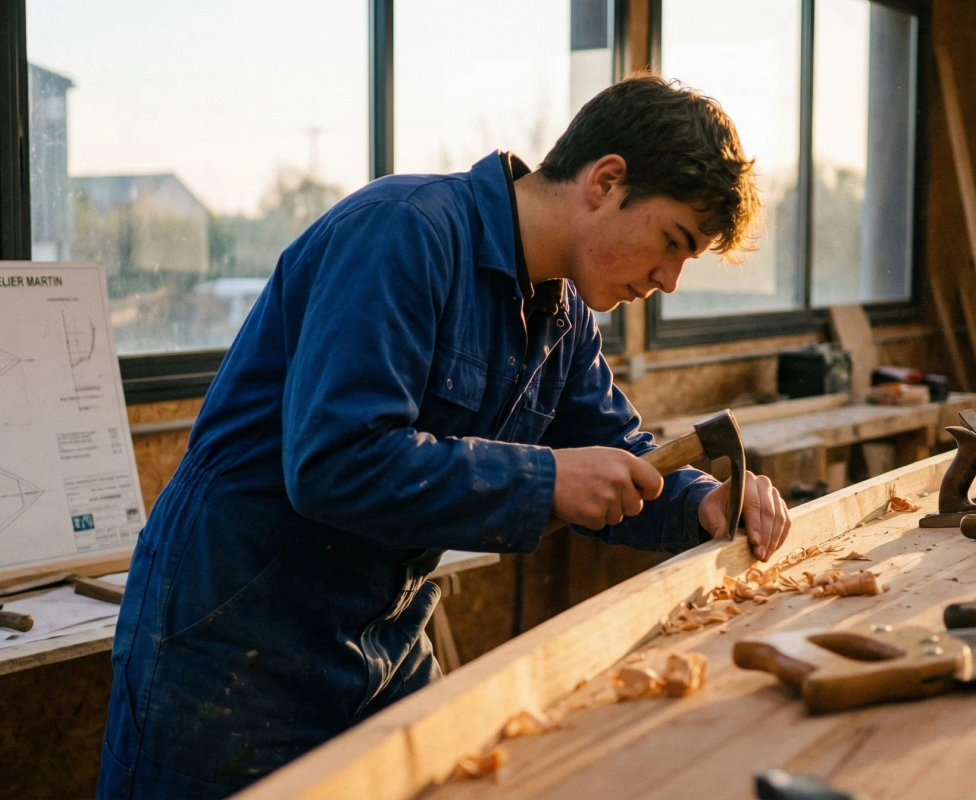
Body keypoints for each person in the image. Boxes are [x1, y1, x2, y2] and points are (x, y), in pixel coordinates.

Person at [97, 75, 791, 799]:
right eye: (672, 242)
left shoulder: (562, 316)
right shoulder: (404, 233)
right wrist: (548, 479)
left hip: (380, 632)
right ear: (606, 181)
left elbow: (619, 456)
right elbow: (335, 461)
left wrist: (703, 499)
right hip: (236, 634)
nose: (670, 280)